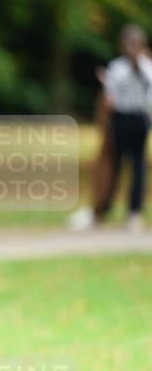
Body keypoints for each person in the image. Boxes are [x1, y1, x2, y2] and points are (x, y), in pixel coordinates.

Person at [70, 24, 152, 233]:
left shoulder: (146, 67)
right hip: (120, 119)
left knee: (138, 167)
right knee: (113, 164)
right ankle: (103, 208)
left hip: (139, 118)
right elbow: (110, 98)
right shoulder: (117, 67)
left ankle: (134, 213)